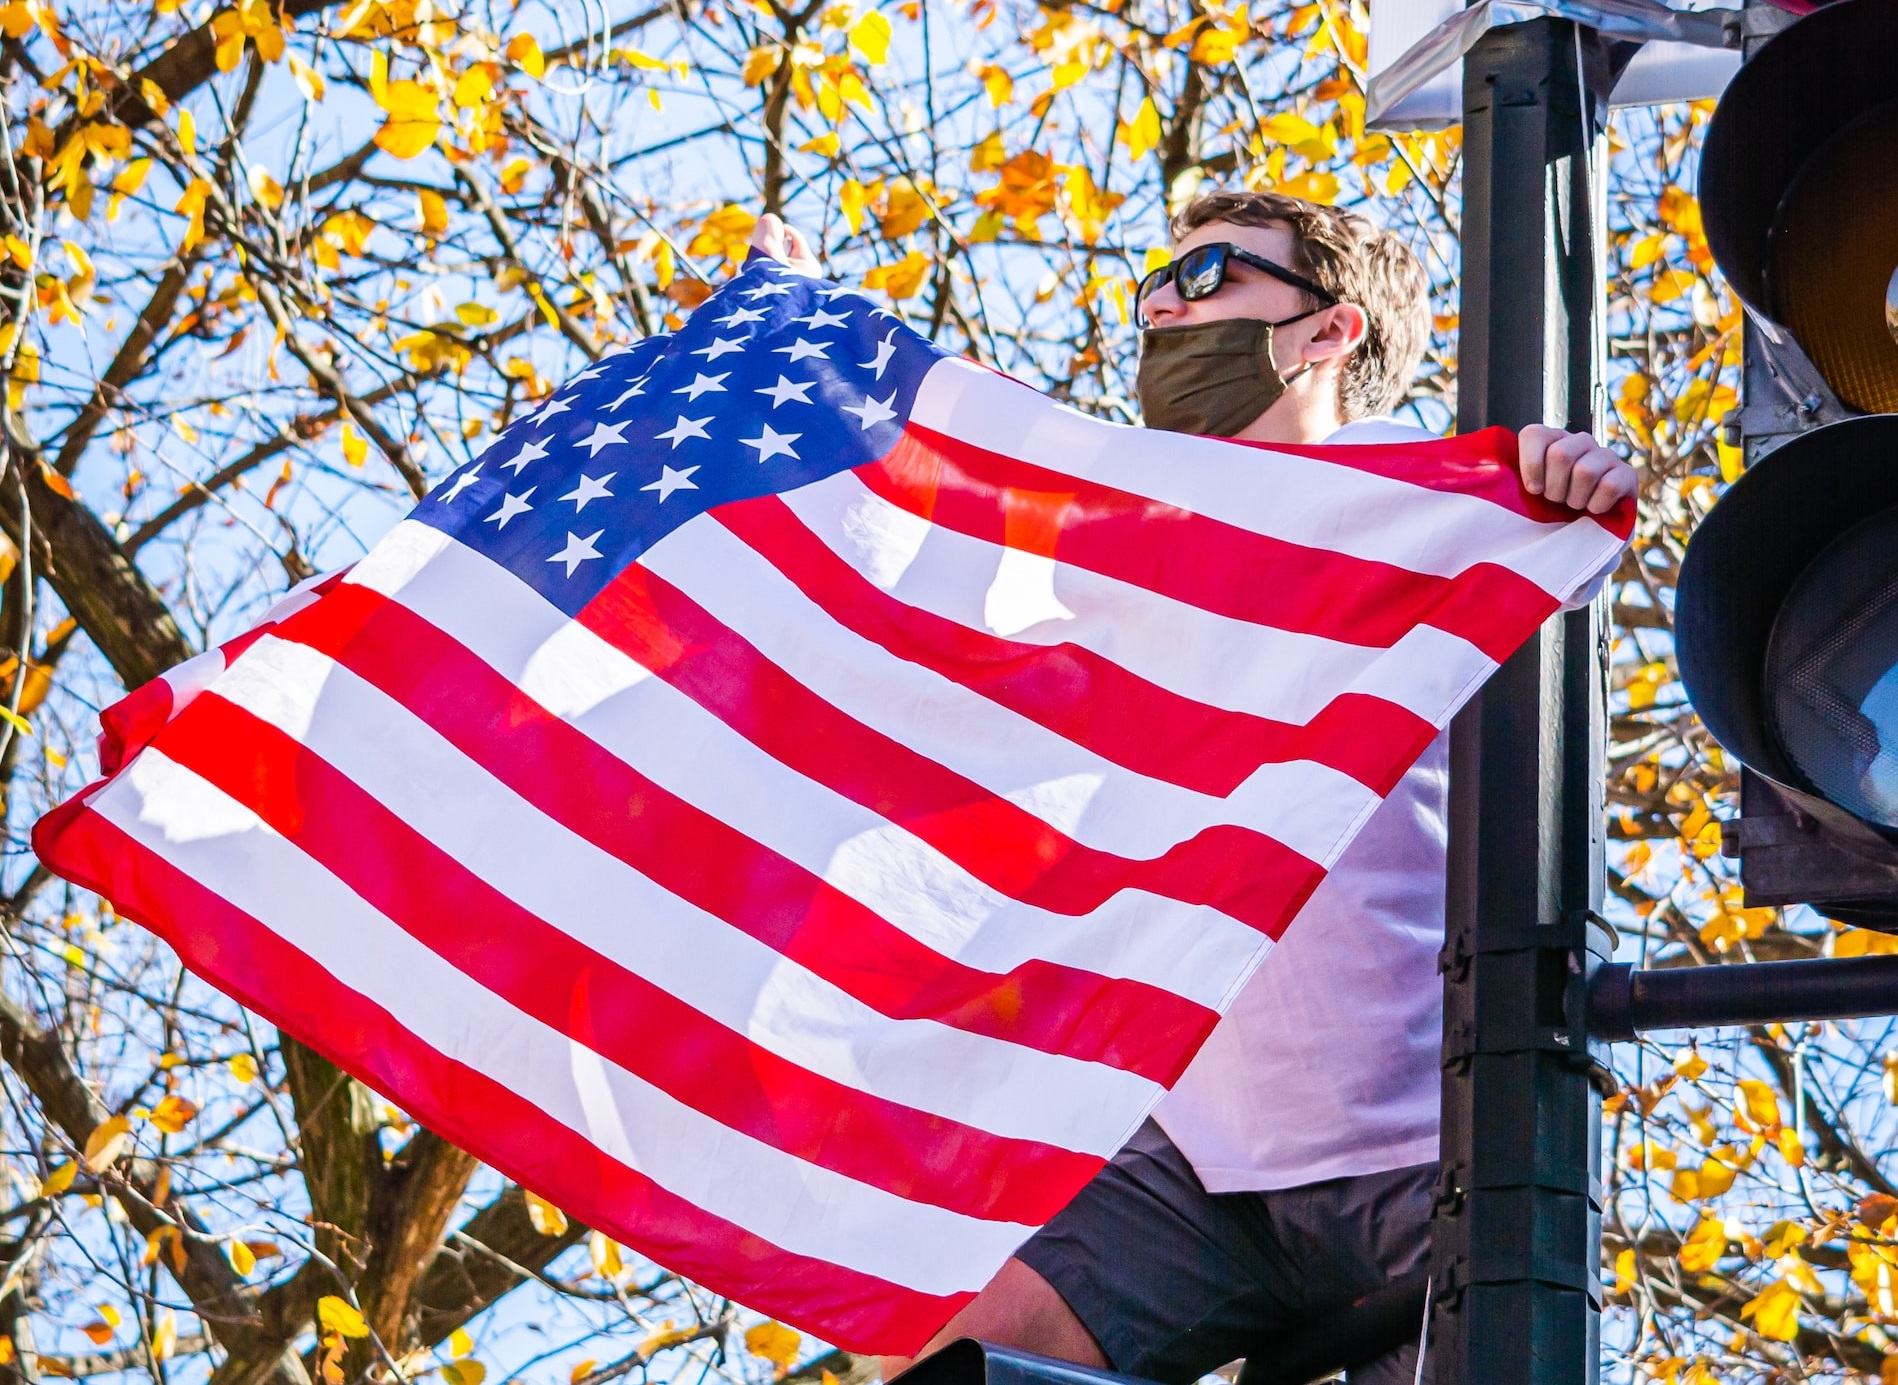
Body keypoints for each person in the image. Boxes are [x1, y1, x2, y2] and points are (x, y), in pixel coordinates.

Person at [750, 191, 1636, 1385]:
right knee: (931, 1359)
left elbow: (1562, 544)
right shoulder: (1116, 534)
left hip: (1434, 1151)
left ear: (1329, 331)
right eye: (1154, 283)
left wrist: (1567, 481)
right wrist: (797, 348)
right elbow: (914, 548)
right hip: (1195, 1165)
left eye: (1212, 272)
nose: (1165, 300)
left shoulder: (1424, 512)